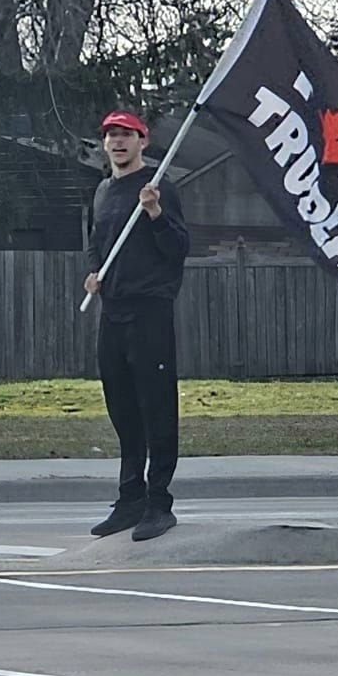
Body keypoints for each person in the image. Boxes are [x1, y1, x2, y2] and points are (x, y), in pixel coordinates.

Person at [84, 109, 189, 541]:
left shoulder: (159, 187)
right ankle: (130, 498)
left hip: (150, 310)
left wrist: (156, 213)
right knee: (122, 408)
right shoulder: (103, 191)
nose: (117, 141)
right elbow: (97, 243)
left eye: (126, 134)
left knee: (156, 408)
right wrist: (94, 273)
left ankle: (158, 502)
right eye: (111, 135)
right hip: (113, 311)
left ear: (142, 141)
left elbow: (178, 248)